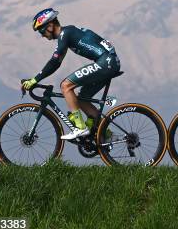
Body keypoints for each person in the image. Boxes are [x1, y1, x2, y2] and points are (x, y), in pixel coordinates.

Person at [21, 8, 121, 140]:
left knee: (65, 85)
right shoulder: (69, 33)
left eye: (41, 31)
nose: (42, 35)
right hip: (109, 62)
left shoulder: (65, 33)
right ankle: (107, 135)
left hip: (105, 62)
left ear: (50, 26)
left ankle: (80, 127)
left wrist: (35, 80)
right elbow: (56, 63)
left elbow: (55, 61)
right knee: (82, 99)